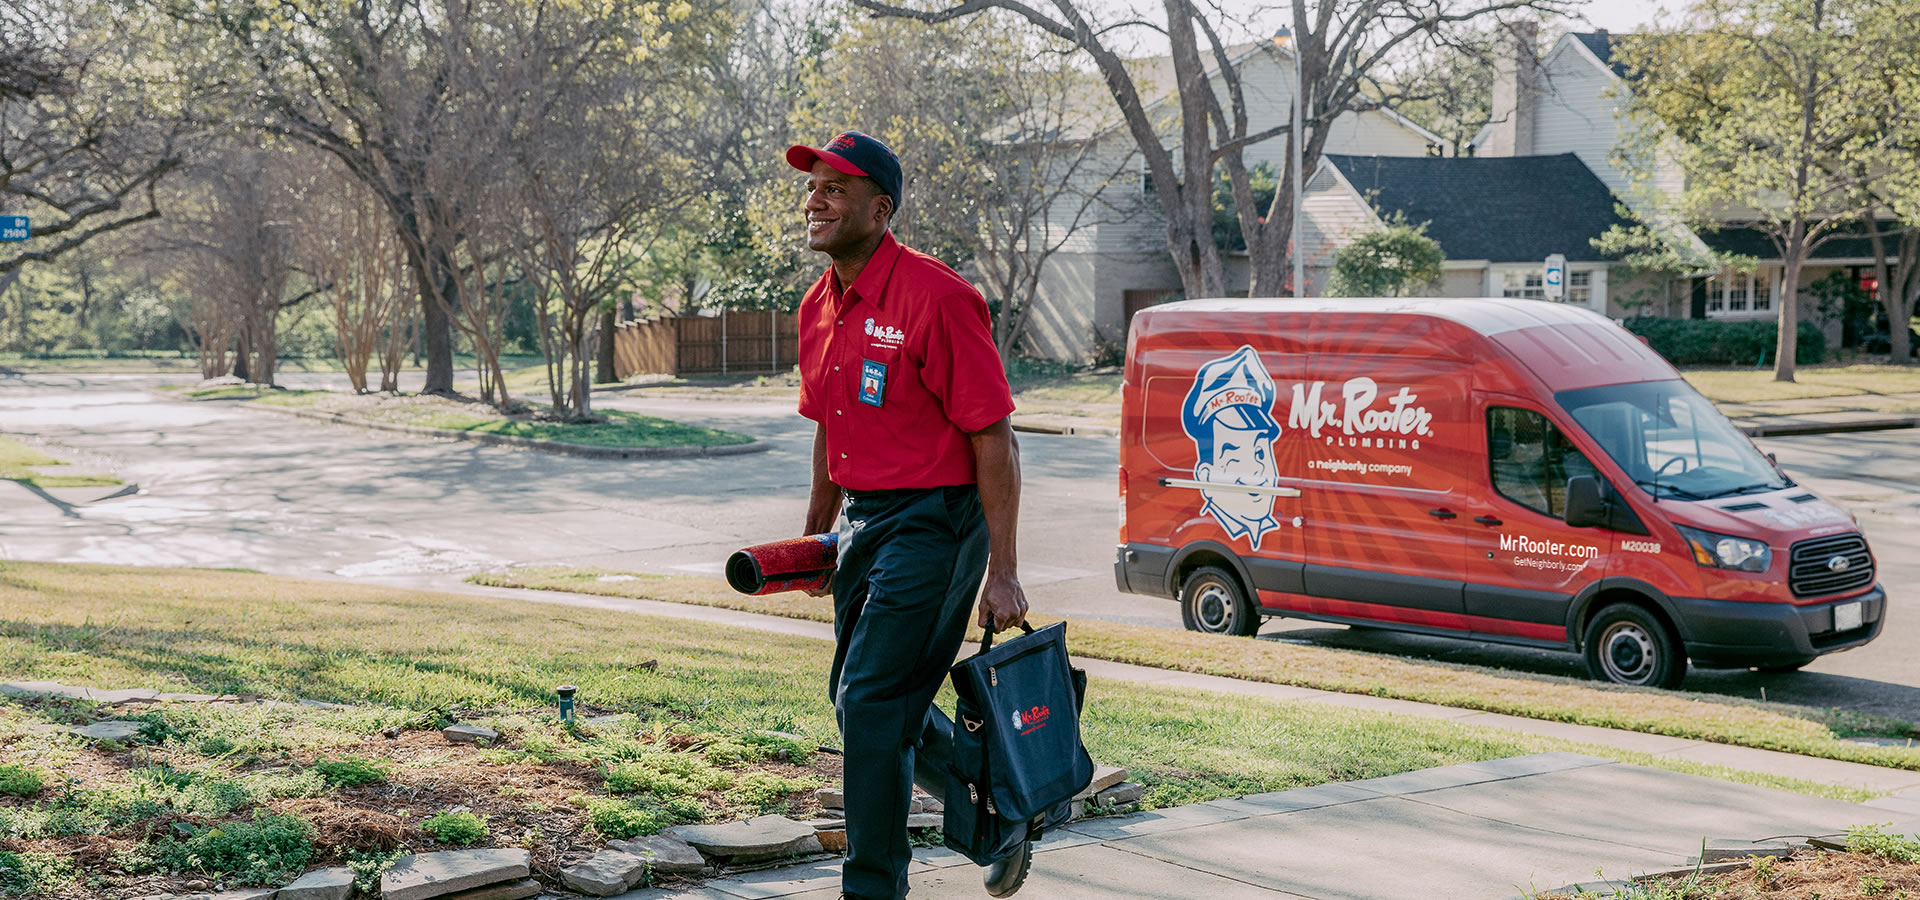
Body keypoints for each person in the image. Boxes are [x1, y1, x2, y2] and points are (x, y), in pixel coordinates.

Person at [786, 130, 1032, 900]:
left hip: (935, 523)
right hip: (862, 520)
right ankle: (998, 811)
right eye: (813, 186)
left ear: (880, 208)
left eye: (835, 188)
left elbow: (993, 436)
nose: (815, 200)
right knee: (861, 702)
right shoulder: (818, 306)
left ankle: (873, 888)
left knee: (869, 702)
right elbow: (831, 423)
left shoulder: (939, 297)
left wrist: (1005, 570)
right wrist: (816, 537)